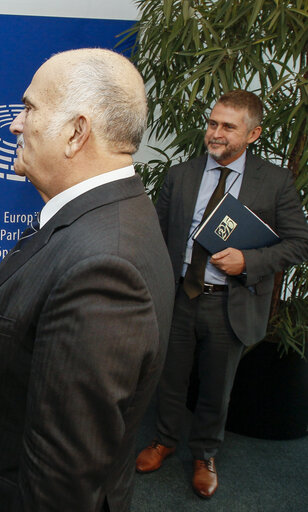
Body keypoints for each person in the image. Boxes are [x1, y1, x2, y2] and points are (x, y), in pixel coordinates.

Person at [0, 48, 175, 511]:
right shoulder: (94, 217)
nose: (14, 124)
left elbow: (61, 486)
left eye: (29, 108)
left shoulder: (105, 268)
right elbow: (26, 323)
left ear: (76, 132)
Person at [135, 90, 308, 498]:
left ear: (253, 133)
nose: (216, 133)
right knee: (171, 379)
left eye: (228, 127)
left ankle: (205, 454)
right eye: (213, 123)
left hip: (230, 302)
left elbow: (299, 243)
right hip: (180, 297)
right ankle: (164, 440)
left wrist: (248, 261)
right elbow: (155, 236)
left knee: (217, 386)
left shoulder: (275, 181)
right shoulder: (181, 175)